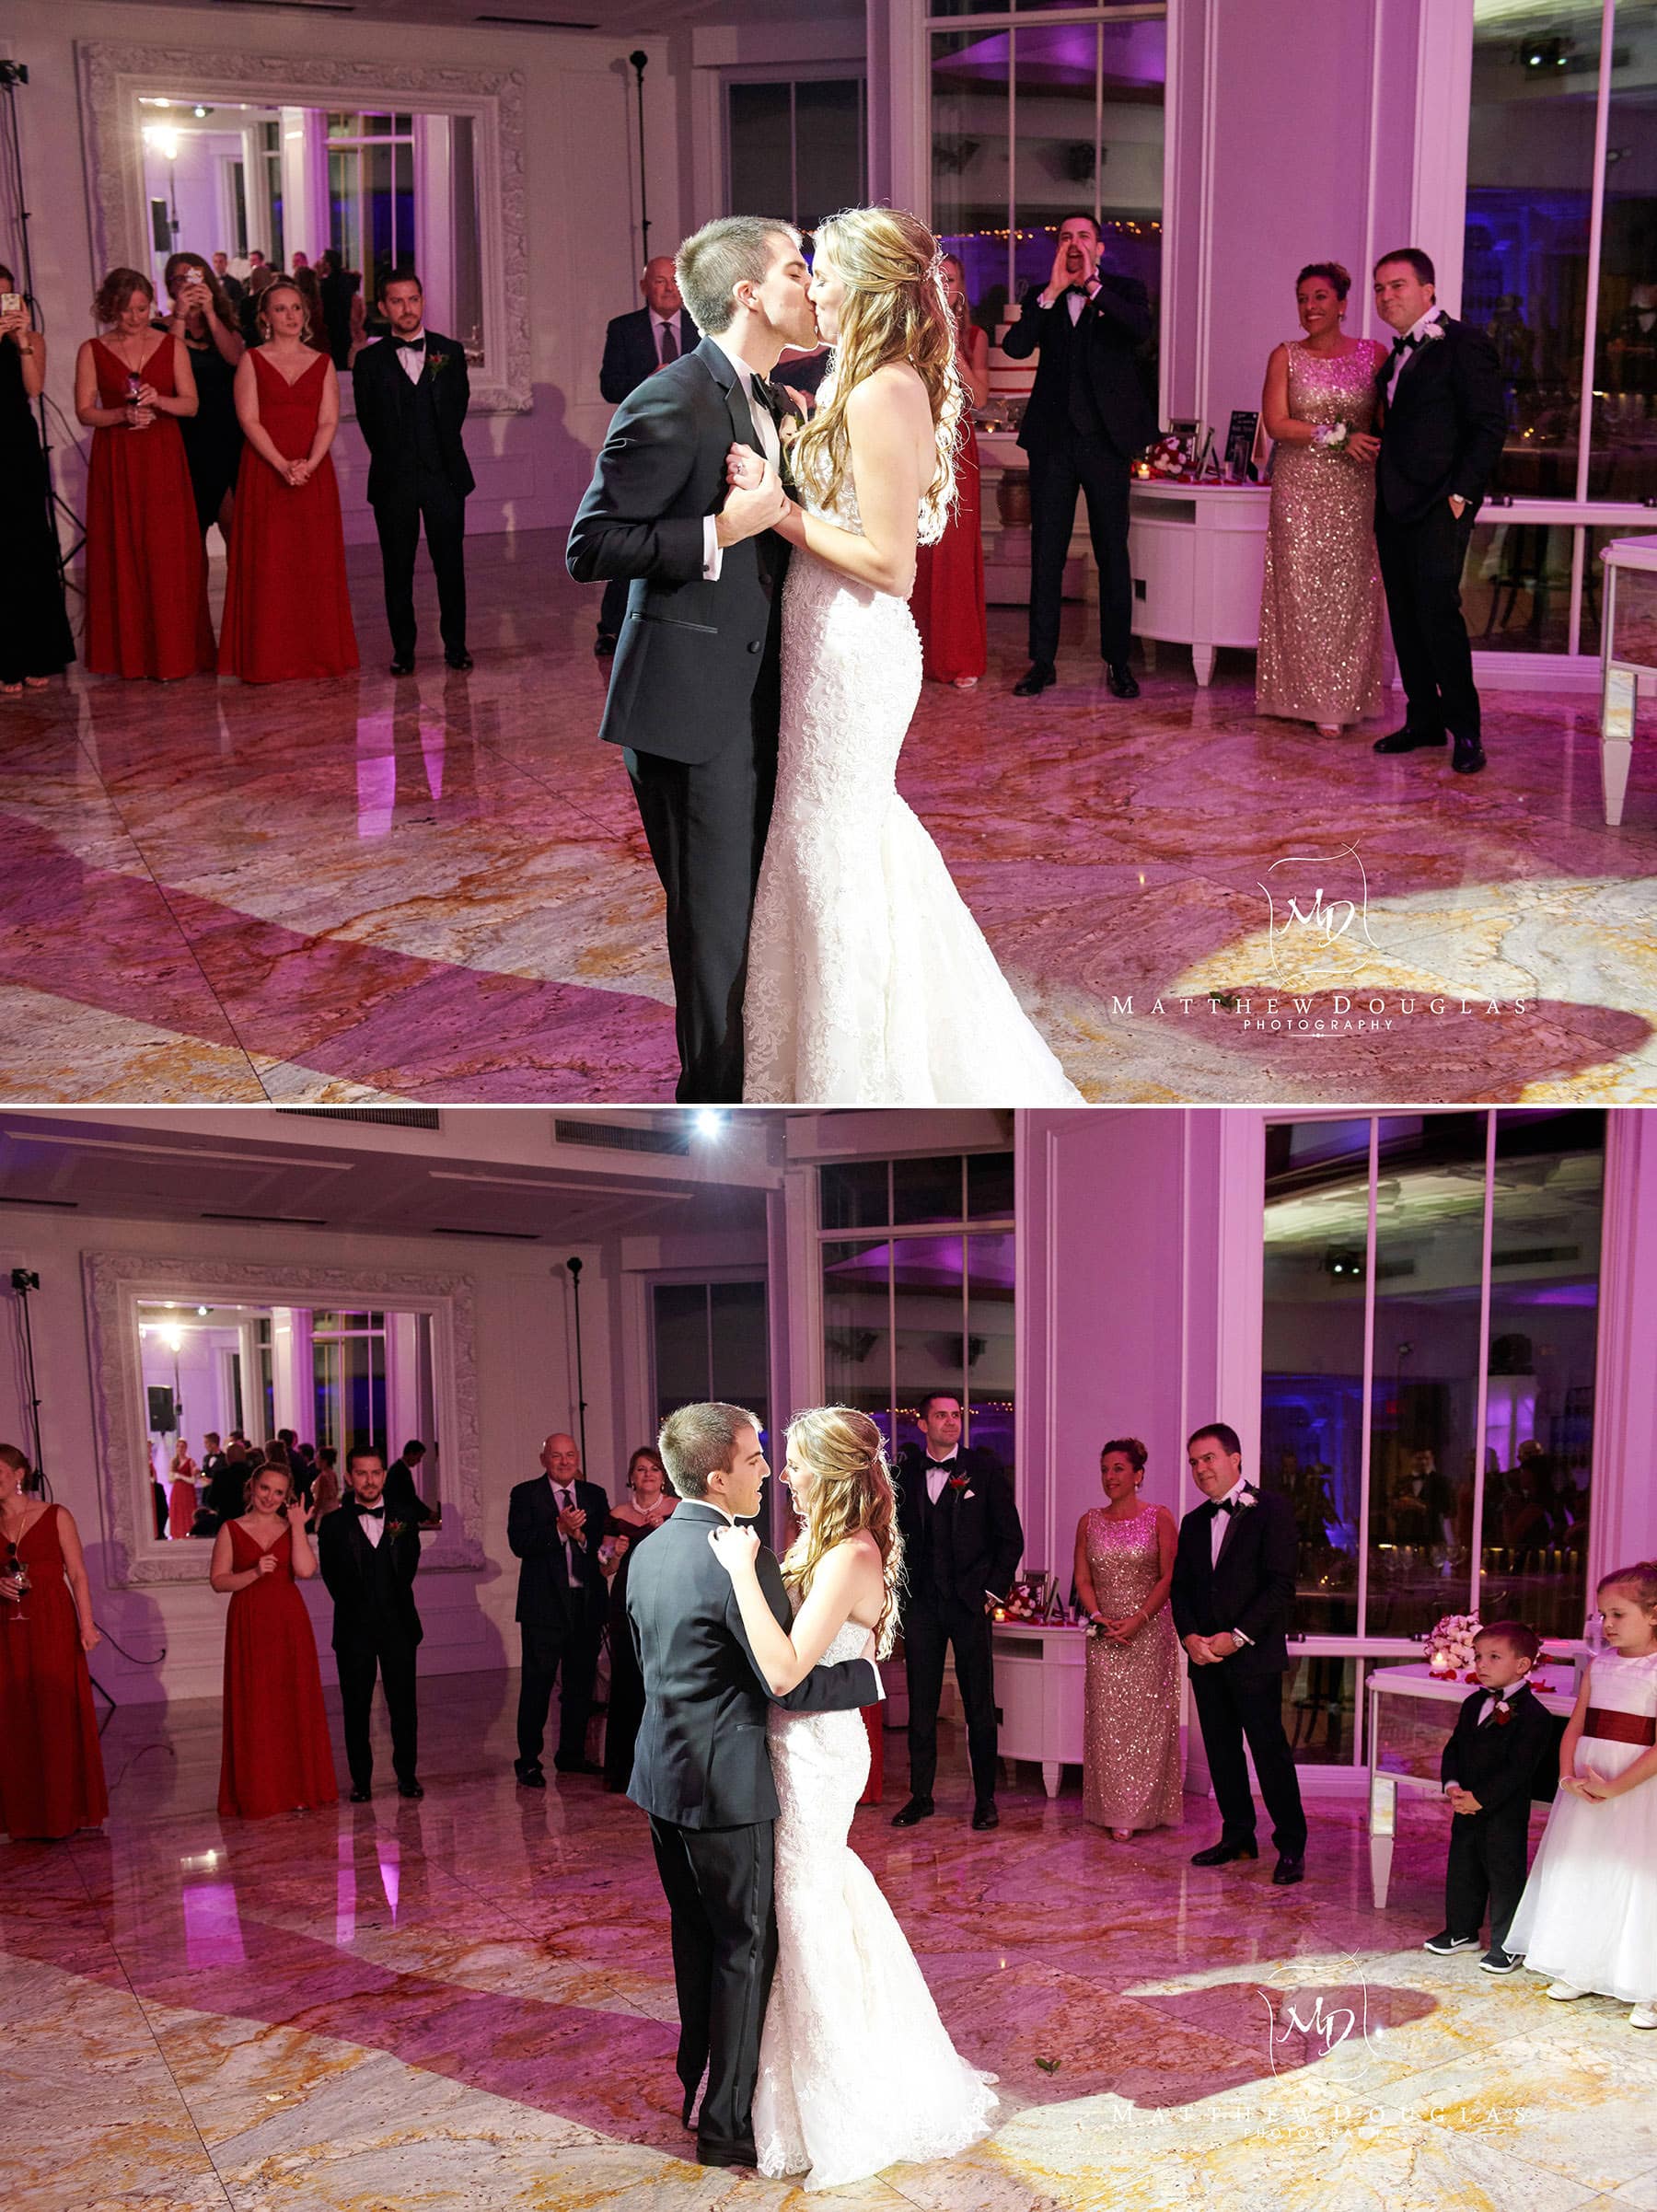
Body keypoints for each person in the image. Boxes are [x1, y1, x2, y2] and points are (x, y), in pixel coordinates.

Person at [732, 205, 1083, 1106]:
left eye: (823, 272)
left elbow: (892, 567)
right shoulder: (855, 379)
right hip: (822, 632)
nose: (812, 287)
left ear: (866, 287)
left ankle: (863, 1060)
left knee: (838, 840)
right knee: (820, 836)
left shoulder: (885, 389)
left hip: (854, 645)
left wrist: (779, 511)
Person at [708, 1404, 998, 2189]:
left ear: (831, 1471)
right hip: (795, 1743)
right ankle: (805, 2078)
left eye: (796, 1462)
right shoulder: (821, 1544)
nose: (784, 1474)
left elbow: (784, 1669)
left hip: (818, 1753)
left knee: (804, 1903)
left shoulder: (849, 1554)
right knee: (815, 1898)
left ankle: (843, 2096)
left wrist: (739, 1571)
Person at [567, 214, 805, 1105]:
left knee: (749, 921)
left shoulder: (775, 397)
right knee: (714, 937)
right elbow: (591, 545)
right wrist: (718, 531)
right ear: (749, 295)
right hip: (692, 709)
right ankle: (713, 1106)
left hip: (760, 697)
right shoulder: (671, 398)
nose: (810, 283)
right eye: (795, 269)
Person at [625, 1400, 883, 2171]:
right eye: (753, 1458)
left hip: (662, 1777)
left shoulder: (648, 1550)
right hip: (730, 1785)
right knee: (745, 1946)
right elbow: (785, 1682)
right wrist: (867, 1677)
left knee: (694, 1935)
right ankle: (726, 2122)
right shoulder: (745, 1558)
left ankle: (693, 2080)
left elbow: (652, 1665)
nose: (768, 1470)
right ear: (717, 1476)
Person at [1000, 213, 1155, 700]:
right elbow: (1016, 346)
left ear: (1099, 247)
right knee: (1047, 552)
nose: (1074, 243)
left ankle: (1118, 661)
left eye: (1083, 236)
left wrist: (1091, 286)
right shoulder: (1041, 296)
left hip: (1106, 443)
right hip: (1053, 443)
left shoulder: (1124, 290)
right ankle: (1041, 662)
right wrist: (1052, 291)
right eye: (1066, 237)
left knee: (1112, 552)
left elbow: (1139, 330)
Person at [1370, 247, 1506, 776]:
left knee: (1438, 615)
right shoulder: (1395, 356)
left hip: (1439, 505)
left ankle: (1466, 730)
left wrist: (1460, 495)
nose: (1386, 296)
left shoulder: (1464, 343)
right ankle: (1424, 719)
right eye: (1380, 288)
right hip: (1394, 503)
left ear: (1428, 290)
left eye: (1397, 285)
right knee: (1405, 616)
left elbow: (1488, 425)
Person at [1506, 1561, 1657, 2029]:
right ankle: (1584, 1963)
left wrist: (1615, 1786)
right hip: (1588, 1787)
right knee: (1588, 1867)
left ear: (1654, 1614)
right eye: (1602, 1615)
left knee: (1636, 1875)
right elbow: (1575, 1726)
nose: (1606, 1625)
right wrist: (1566, 1776)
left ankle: (1645, 1983)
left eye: (1618, 1615)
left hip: (1638, 1789)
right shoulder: (1600, 1664)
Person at [1171, 1422, 1308, 1883]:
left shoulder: (1272, 1509)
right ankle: (1238, 1836)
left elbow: (1280, 1586)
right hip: (1205, 1659)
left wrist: (1239, 1636)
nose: (1200, 1469)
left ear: (1236, 1458)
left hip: (1252, 1657)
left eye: (1208, 1458)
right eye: (1194, 1462)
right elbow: (1182, 1590)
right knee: (1221, 1750)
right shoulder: (1193, 1522)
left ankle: (1291, 1845)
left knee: (1269, 1751)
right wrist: (1191, 1638)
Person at [1256, 261, 1387, 736]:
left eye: (1319, 297)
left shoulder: (1374, 354)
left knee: (1349, 591)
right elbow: (1277, 424)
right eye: (1302, 299)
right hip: (1299, 489)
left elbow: (1386, 422)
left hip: (1355, 489)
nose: (1309, 307)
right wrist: (1336, 436)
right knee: (1301, 589)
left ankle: (1342, 697)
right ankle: (1302, 696)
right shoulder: (1285, 356)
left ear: (1343, 304)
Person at [890, 1389, 1023, 1831]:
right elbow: (893, 1537)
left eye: (955, 1415)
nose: (951, 1422)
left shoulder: (983, 1470)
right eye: (941, 1416)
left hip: (970, 1604)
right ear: (922, 1424)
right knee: (921, 1704)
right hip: (922, 1606)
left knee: (979, 1704)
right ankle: (920, 1796)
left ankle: (985, 1800)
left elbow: (1011, 1538)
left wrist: (993, 1592)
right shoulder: (904, 1474)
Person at [76, 266, 215, 681]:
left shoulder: (170, 345)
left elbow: (191, 404)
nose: (135, 317)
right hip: (117, 458)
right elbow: (84, 411)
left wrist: (160, 401)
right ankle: (130, 656)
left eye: (141, 308)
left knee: (166, 552)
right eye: (126, 310)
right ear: (109, 308)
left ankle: (174, 654)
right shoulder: (92, 349)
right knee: (123, 549)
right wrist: (121, 413)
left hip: (162, 456)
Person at [218, 278, 357, 684]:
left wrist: (309, 464)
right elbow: (248, 419)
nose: (291, 316)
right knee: (271, 565)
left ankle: (317, 655)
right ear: (265, 317)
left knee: (313, 564)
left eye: (296, 308)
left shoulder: (322, 362)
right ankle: (269, 658)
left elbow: (328, 420)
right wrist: (282, 465)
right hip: (266, 472)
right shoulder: (251, 360)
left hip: (313, 473)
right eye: (280, 309)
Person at [351, 270, 475, 676]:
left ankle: (456, 646)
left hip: (444, 476)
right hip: (394, 480)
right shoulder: (368, 362)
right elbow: (369, 422)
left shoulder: (449, 352)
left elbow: (456, 408)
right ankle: (403, 651)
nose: (407, 308)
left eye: (413, 299)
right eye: (397, 301)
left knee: (450, 566)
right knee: (397, 568)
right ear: (383, 307)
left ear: (422, 301)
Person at [1424, 1619, 1554, 1975]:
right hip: (1465, 1806)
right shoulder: (1473, 1703)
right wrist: (1452, 1785)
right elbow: (1454, 1748)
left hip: (1503, 1813)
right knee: (1462, 1868)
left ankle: (1507, 1944)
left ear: (1522, 1665)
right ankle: (1461, 1931)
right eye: (1479, 1656)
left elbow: (1519, 1769)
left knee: (1504, 1876)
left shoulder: (1534, 1716)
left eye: (1494, 1657)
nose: (1481, 1664)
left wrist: (1481, 1798)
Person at [209, 1462, 338, 1818]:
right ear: (253, 1486)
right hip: (249, 1621)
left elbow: (305, 1570)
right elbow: (218, 1581)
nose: (270, 1497)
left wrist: (297, 1526)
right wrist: (253, 1572)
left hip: (288, 1623)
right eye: (265, 1488)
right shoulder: (231, 1528)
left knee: (292, 1701)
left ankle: (297, 1789)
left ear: (287, 1496)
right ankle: (259, 1791)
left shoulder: (290, 1526)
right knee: (256, 1705)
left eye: (278, 1492)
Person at [1072, 1436, 1182, 1838]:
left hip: (1149, 1633)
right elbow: (1083, 1579)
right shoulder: (1089, 1521)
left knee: (1146, 1723)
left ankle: (1141, 1810)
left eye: (1118, 1468)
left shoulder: (1159, 1517)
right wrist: (1098, 1617)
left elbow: (1169, 1577)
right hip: (1105, 1635)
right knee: (1108, 1724)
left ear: (1138, 1474)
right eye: (1104, 1469)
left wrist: (1139, 1618)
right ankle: (1114, 1808)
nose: (1110, 1477)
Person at [594, 255, 701, 658]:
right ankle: (611, 627)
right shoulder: (623, 329)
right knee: (632, 533)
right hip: (642, 445)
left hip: (692, 443)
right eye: (659, 281)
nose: (669, 288)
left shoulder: (702, 325)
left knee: (688, 534)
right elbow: (609, 386)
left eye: (675, 280)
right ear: (644, 287)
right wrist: (648, 382)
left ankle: (678, 626)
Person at [0, 1443, 108, 1840]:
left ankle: (65, 1810)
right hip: (8, 1627)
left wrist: (87, 1625)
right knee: (15, 1715)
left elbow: (77, 1574)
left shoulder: (55, 1515)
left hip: (51, 1622)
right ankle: (25, 1816)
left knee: (55, 1710)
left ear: (18, 1475)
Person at [317, 1444, 425, 1801]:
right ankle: (361, 1782)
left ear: (384, 1475)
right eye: (361, 1473)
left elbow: (407, 1568)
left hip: (399, 1626)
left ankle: (407, 1776)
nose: (369, 1480)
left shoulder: (404, 1517)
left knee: (403, 1707)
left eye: (375, 1473)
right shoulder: (332, 1525)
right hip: (354, 1630)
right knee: (356, 1709)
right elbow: (333, 1579)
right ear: (349, 1477)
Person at [507, 1431, 610, 1784]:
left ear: (577, 1457)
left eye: (570, 1455)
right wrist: (559, 1528)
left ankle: (571, 1754)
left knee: (580, 1686)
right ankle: (528, 1761)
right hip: (544, 1608)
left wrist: (581, 1537)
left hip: (585, 1604)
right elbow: (519, 1543)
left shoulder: (595, 1495)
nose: (564, 1462)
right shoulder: (525, 1494)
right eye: (556, 1455)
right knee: (536, 1686)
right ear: (544, 1460)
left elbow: (603, 1546)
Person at [910, 252, 988, 689]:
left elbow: (980, 397)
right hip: (916, 437)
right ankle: (914, 656)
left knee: (953, 549)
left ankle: (957, 656)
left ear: (961, 289)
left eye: (951, 279)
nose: (943, 286)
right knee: (917, 546)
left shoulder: (974, 336)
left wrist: (953, 351)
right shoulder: (909, 333)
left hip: (957, 446)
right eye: (936, 279)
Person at [0, 268, 75, 696]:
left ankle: (34, 653)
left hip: (18, 446)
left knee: (28, 544)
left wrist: (22, 340)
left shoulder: (31, 340)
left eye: (8, 297)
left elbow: (33, 388)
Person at [602, 1444, 677, 1793]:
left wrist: (665, 1533)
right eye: (641, 1469)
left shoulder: (677, 1510)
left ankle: (664, 1771)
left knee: (662, 1680)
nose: (648, 1475)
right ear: (631, 1477)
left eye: (654, 1469)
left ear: (664, 1477)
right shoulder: (617, 1514)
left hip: (664, 1602)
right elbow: (604, 1566)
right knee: (626, 1681)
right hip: (625, 1603)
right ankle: (624, 1771)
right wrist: (614, 1555)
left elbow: (687, 1556)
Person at [161, 251, 246, 540]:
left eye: (193, 277)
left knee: (233, 521)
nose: (187, 284)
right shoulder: (160, 328)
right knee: (191, 528)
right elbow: (166, 365)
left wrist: (209, 312)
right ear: (170, 286)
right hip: (185, 434)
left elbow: (235, 359)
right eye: (179, 279)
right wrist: (181, 315)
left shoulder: (224, 326)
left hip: (225, 431)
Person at [385, 1438, 439, 1526]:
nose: (419, 1461)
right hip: (400, 1520)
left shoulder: (398, 1469)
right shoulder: (400, 1471)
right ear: (410, 1454)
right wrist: (428, 1514)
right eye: (418, 1457)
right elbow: (409, 1498)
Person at [168, 1438, 200, 1541]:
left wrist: (180, 1476)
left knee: (187, 1512)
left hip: (187, 1491)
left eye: (182, 1447)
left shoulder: (191, 1461)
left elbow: (193, 1480)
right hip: (177, 1491)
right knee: (177, 1512)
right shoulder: (173, 1461)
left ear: (186, 1448)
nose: (180, 1449)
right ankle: (177, 1534)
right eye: (178, 1447)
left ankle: (189, 1533)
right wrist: (175, 1477)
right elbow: (170, 1479)